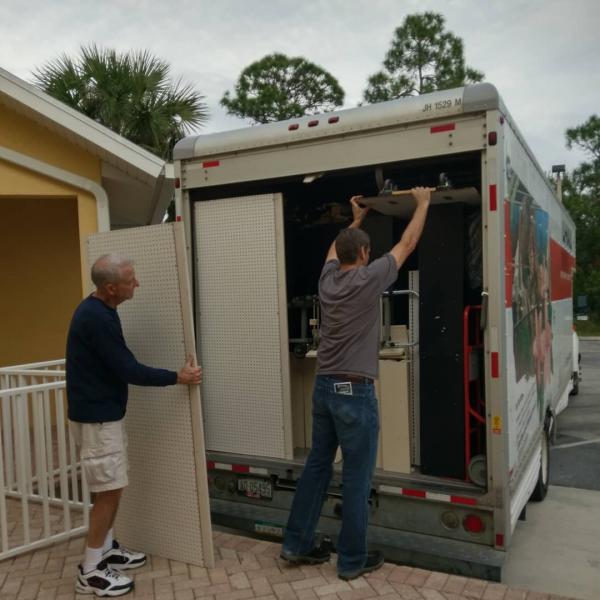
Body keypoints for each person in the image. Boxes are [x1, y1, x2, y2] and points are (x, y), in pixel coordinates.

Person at [281, 188, 431, 580]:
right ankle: (351, 561)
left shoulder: (327, 280)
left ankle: (296, 544)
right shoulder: (370, 279)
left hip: (324, 387)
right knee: (356, 477)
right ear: (364, 255)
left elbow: (334, 250)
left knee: (316, 466)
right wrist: (424, 203)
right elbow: (408, 242)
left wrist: (356, 220)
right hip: (354, 391)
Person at [66, 254, 202, 597]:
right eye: (130, 279)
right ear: (112, 288)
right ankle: (91, 570)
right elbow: (130, 369)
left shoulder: (100, 310)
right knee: (108, 492)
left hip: (100, 415)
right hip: (98, 421)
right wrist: (178, 377)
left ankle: (107, 547)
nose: (136, 283)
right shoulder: (97, 319)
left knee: (109, 487)